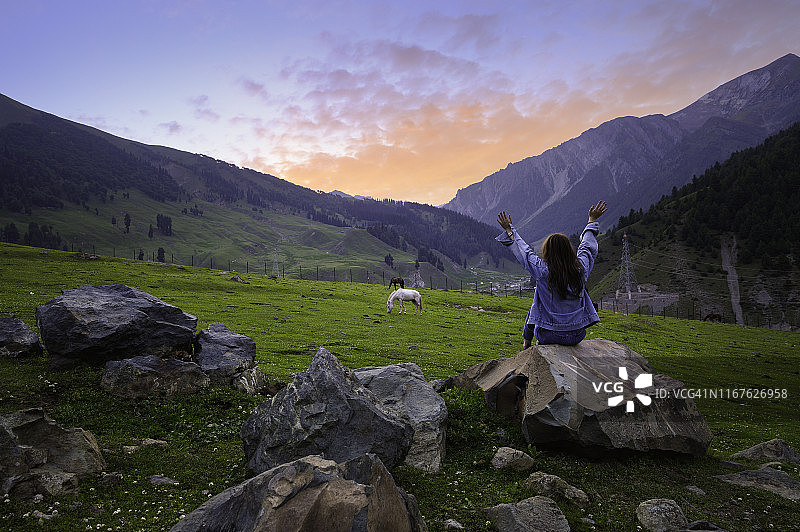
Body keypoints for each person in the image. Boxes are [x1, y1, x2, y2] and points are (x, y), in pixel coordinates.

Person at [496, 201, 607, 347]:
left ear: (547, 251)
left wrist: (510, 231)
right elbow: (587, 247)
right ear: (569, 250)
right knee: (538, 299)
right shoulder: (580, 269)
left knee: (537, 301)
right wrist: (591, 221)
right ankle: (527, 343)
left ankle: (526, 345)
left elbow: (525, 252)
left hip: (549, 334)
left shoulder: (542, 270)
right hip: (577, 334)